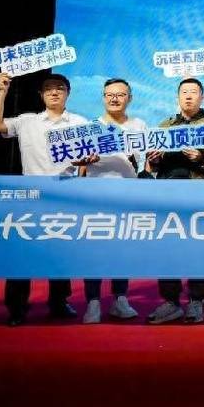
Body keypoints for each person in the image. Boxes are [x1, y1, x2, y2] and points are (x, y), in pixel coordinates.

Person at [0, 71, 87, 326]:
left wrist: (84, 165)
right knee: (23, 252)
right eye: (49, 88)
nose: (54, 92)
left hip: (64, 194)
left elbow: (87, 158)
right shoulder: (26, 121)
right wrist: (2, 91)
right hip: (30, 195)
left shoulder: (79, 122)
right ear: (41, 94)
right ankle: (17, 308)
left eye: (60, 88)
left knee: (60, 250)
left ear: (68, 93)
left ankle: (59, 302)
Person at [144, 77, 204, 324]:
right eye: (184, 92)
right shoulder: (165, 125)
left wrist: (201, 158)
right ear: (178, 97)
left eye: (193, 92)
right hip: (167, 194)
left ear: (202, 97)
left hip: (200, 195)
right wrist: (154, 159)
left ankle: (196, 301)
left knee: (198, 248)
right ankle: (171, 301)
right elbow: (153, 164)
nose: (188, 96)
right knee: (168, 248)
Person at [80, 78, 144, 323]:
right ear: (104, 97)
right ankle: (93, 302)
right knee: (94, 252)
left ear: (130, 98)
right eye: (110, 94)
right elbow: (80, 164)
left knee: (122, 250)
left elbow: (145, 163)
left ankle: (120, 299)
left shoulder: (139, 125)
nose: (115, 98)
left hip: (128, 197)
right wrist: (83, 162)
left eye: (120, 94)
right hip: (96, 197)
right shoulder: (91, 127)